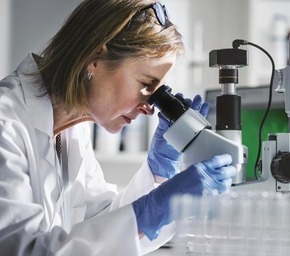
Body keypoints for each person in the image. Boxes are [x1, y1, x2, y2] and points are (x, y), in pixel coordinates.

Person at [0, 0, 237, 255]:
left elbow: (98, 225)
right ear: (95, 57)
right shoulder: (6, 125)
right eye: (146, 85)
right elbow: (24, 249)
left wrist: (158, 176)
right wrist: (155, 208)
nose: (150, 107)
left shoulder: (70, 130)